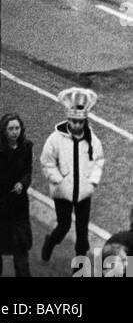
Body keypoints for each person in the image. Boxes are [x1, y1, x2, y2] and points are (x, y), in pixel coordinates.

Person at [40, 87, 104, 263]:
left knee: (82, 231)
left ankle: (79, 266)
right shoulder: (55, 139)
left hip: (83, 192)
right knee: (64, 225)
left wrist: (92, 182)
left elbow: (99, 160)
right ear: (68, 120)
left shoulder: (93, 140)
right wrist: (58, 180)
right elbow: (47, 162)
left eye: (80, 122)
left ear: (84, 122)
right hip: (63, 192)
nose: (77, 125)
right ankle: (50, 242)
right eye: (74, 121)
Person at [0, 113, 33, 278]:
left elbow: (28, 170)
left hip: (18, 206)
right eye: (11, 129)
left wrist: (22, 184)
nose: (14, 132)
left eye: (17, 128)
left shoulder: (26, 147)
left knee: (20, 246)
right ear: (4, 131)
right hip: (0, 206)